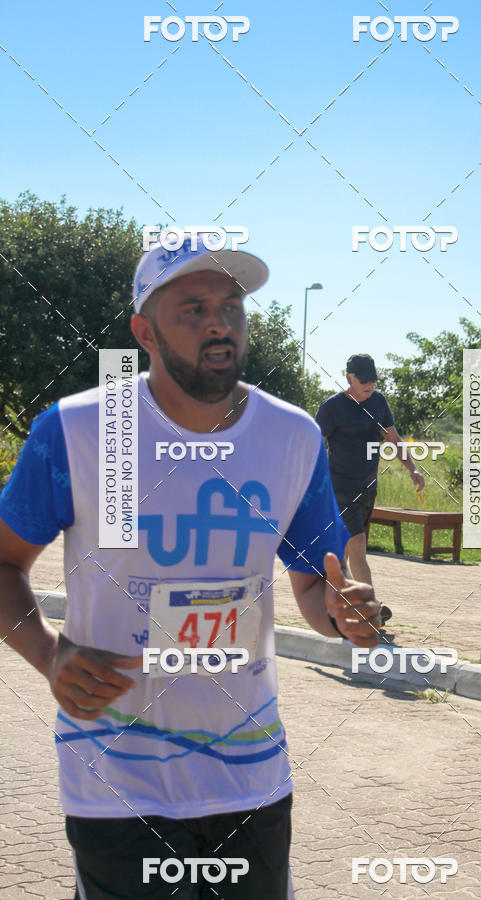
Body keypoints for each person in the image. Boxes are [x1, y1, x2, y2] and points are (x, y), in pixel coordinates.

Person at [0, 235, 382, 900]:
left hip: (252, 770)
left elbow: (316, 587)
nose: (219, 323)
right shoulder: (82, 433)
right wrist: (48, 655)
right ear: (143, 331)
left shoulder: (290, 437)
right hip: (117, 776)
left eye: (232, 306)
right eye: (194, 308)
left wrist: (346, 616)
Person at [315, 354, 425, 619]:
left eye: (372, 380)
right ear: (348, 378)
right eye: (363, 381)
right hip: (340, 487)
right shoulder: (332, 407)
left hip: (367, 487)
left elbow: (393, 437)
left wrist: (412, 468)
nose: (369, 385)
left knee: (343, 550)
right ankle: (369, 609)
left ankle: (336, 603)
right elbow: (314, 445)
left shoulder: (378, 402)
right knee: (358, 546)